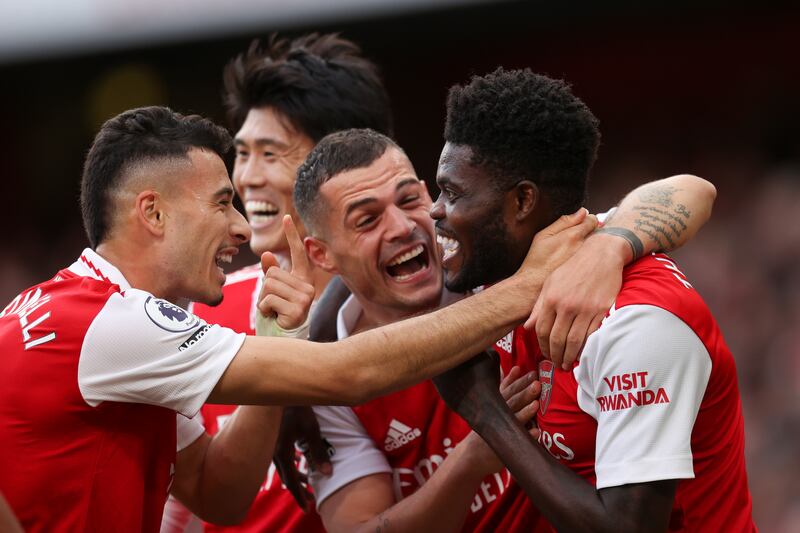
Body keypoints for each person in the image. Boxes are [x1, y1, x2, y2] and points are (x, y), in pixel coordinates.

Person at [0, 104, 593, 532]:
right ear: (152, 214)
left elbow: (217, 491)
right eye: (220, 202)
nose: (239, 225)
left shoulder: (80, 316)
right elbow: (346, 373)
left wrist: (274, 344)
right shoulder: (109, 323)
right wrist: (528, 288)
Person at [285, 127, 717, 532]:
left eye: (410, 199)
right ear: (322, 255)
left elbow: (693, 189)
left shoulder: (482, 258)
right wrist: (471, 458)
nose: (403, 227)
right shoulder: (329, 377)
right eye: (367, 220)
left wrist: (610, 245)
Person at [428, 68, 756, 531]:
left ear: (522, 202)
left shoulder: (637, 325)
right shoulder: (500, 259)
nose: (434, 211)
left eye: (452, 193)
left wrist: (486, 412)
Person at [164, 32, 396, 533]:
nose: (244, 178)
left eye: (271, 153)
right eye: (241, 153)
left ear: (342, 161)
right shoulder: (199, 315)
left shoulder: (412, 301)